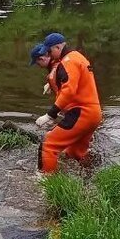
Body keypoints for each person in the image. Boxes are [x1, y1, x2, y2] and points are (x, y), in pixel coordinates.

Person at [32, 32, 102, 173]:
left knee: (48, 145)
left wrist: (50, 115)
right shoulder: (78, 57)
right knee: (75, 153)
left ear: (58, 47)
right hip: (94, 114)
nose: (49, 55)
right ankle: (91, 179)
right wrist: (51, 83)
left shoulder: (68, 61)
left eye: (50, 51)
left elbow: (69, 91)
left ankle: (45, 185)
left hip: (82, 113)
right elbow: (68, 79)